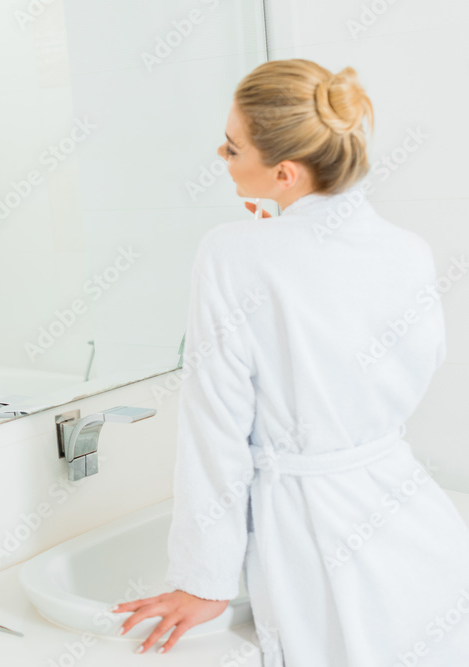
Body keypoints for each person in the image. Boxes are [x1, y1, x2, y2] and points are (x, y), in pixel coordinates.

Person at [112, 59, 469, 665]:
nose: (219, 154)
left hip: (314, 537)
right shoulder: (408, 250)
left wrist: (203, 580)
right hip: (420, 529)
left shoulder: (231, 254)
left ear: (283, 172)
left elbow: (215, 429)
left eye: (231, 147)